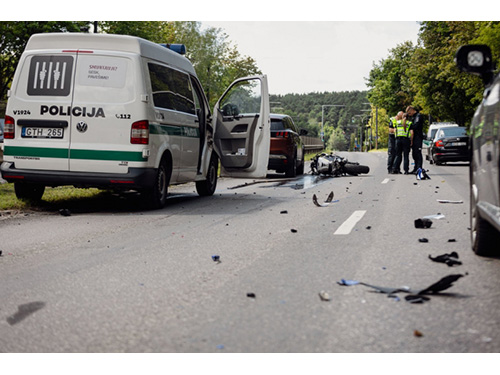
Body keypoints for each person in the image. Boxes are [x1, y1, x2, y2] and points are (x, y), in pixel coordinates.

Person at [406, 106, 424, 173]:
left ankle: (419, 168)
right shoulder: (414, 117)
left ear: (412, 110)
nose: (409, 114)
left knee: (418, 153)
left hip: (418, 137)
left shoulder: (418, 116)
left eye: (409, 113)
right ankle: (415, 168)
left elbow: (416, 125)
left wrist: (408, 126)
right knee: (414, 154)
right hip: (414, 137)